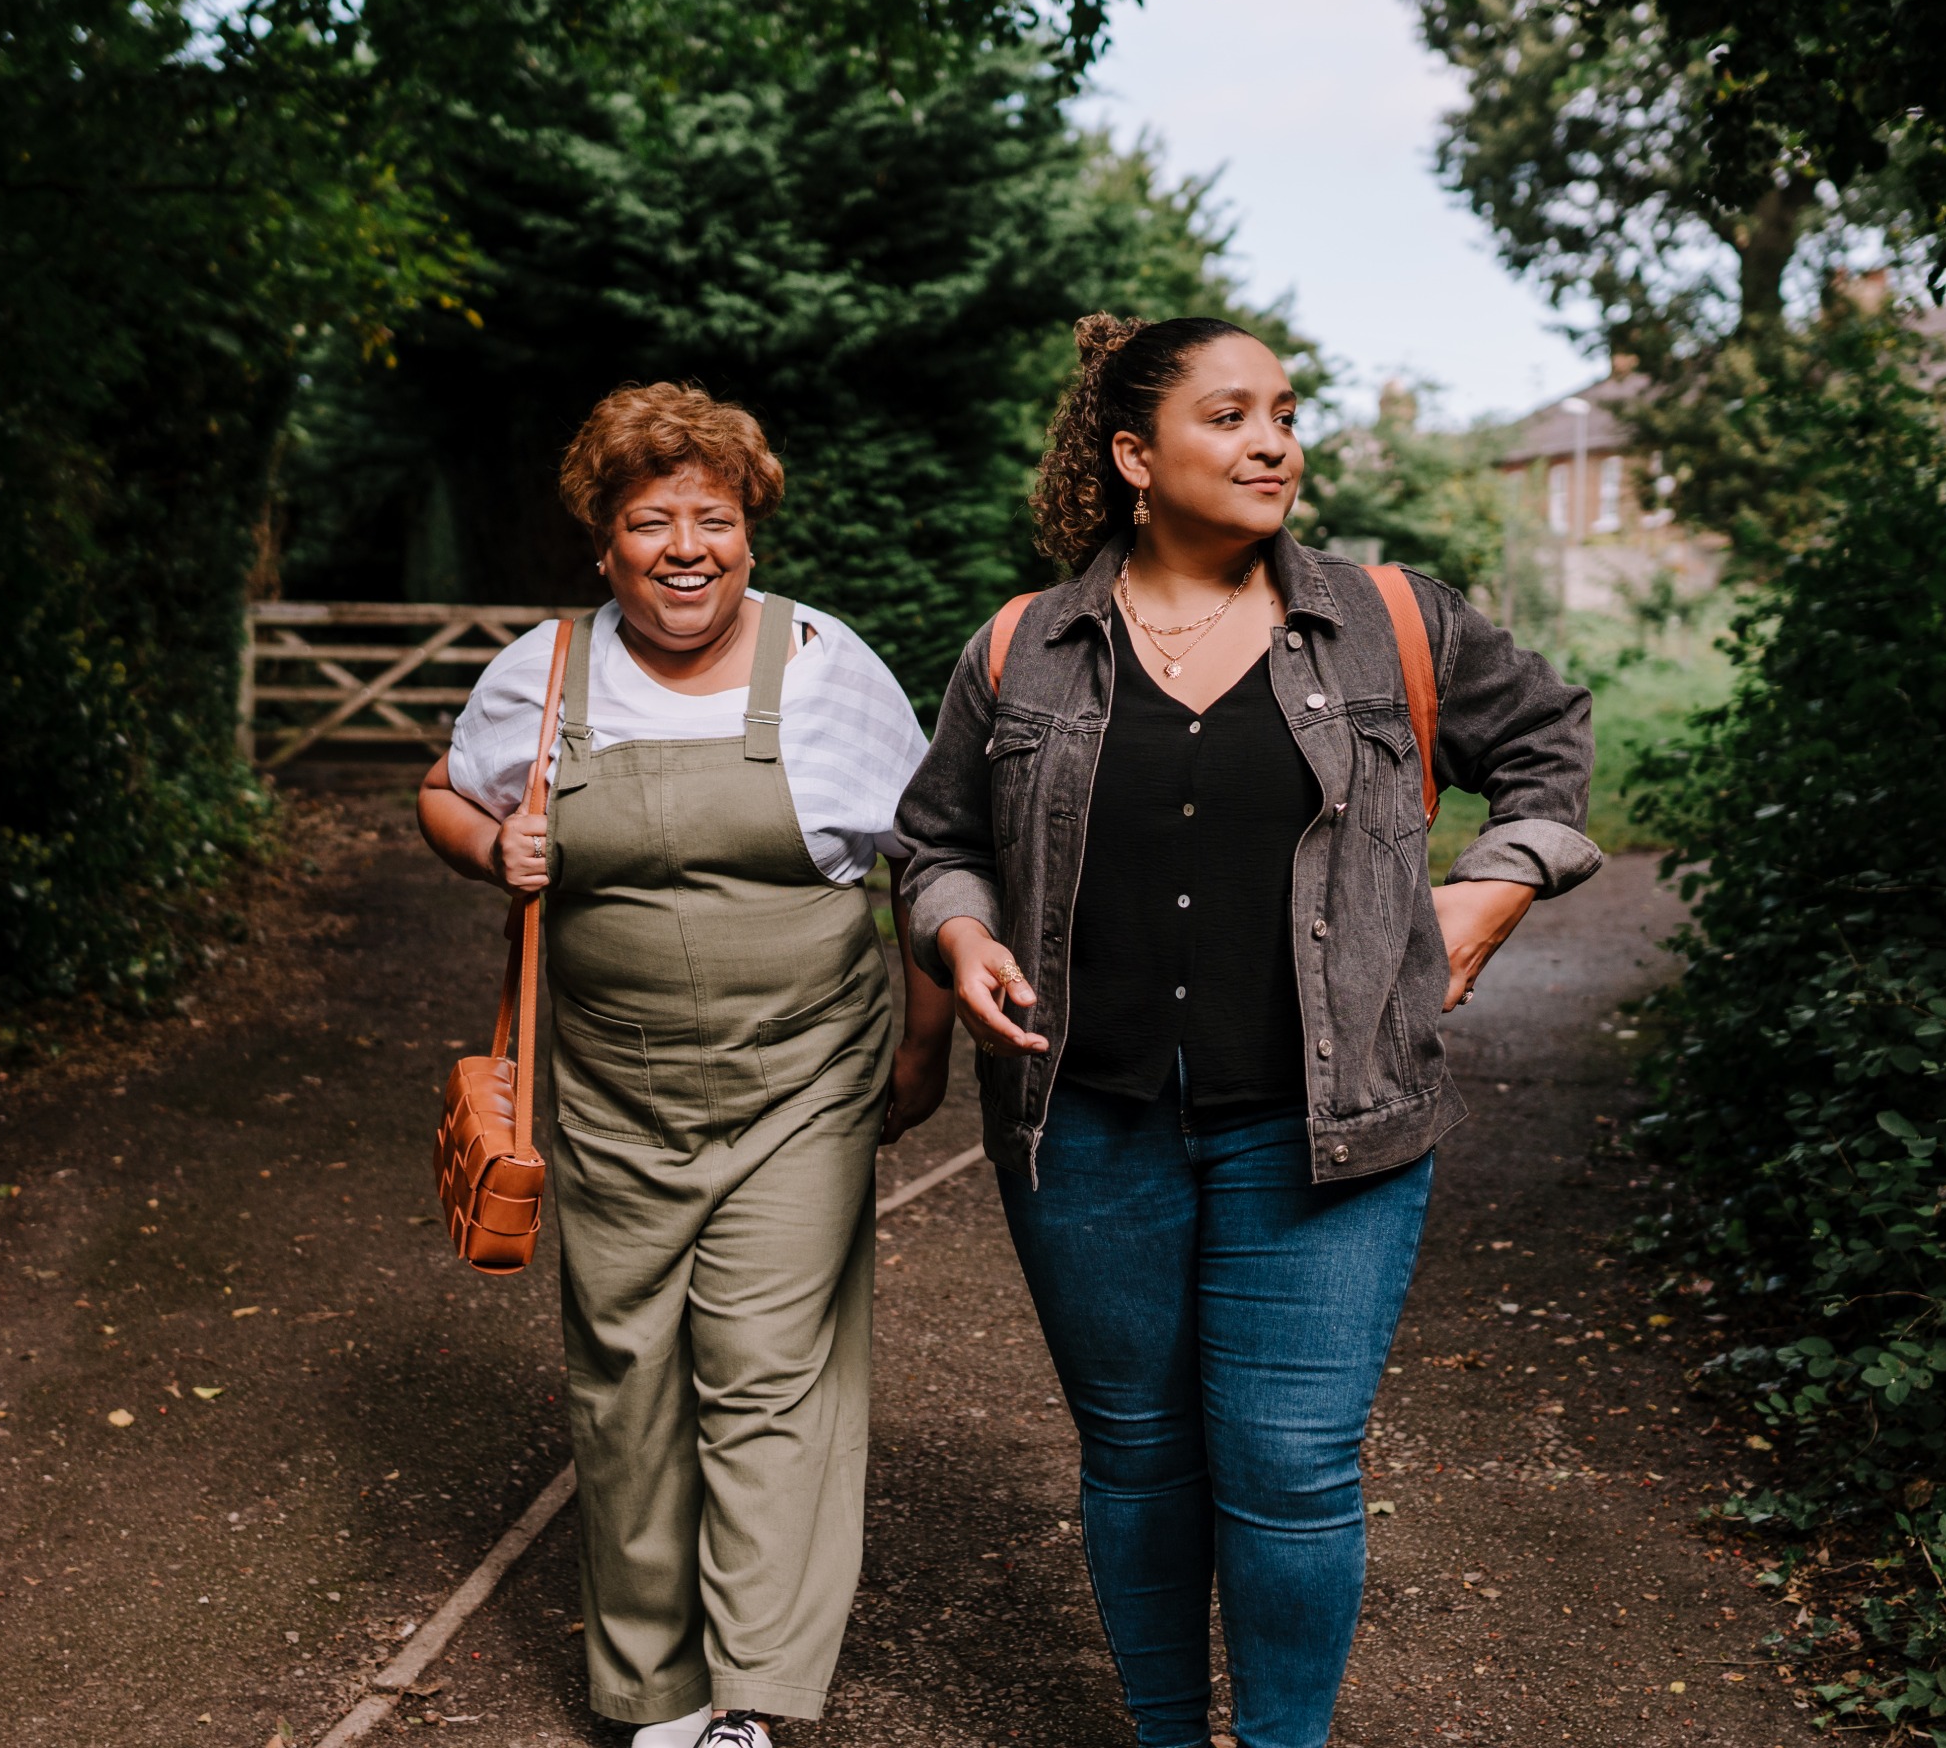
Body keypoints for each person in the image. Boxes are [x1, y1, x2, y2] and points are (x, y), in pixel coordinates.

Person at [892, 315, 1599, 1748]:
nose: (1273, 441)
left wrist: (1489, 894)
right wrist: (960, 934)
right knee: (1140, 1459)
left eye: (1283, 411)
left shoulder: (1390, 619)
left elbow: (1548, 744)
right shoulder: (1024, 647)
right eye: (1229, 417)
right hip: (1085, 1127)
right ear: (1134, 456)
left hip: (1329, 1130)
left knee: (1290, 1467)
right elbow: (938, 841)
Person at [419, 383, 950, 1748]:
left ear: (750, 534)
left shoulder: (829, 667)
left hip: (802, 1078)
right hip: (610, 1090)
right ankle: (657, 1687)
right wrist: (489, 846)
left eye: (712, 518)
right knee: (627, 1375)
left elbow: (930, 854)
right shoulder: (542, 673)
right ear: (604, 544)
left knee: (767, 1368)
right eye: (650, 521)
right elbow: (444, 792)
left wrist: (923, 1037)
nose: (684, 548)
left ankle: (752, 1693)